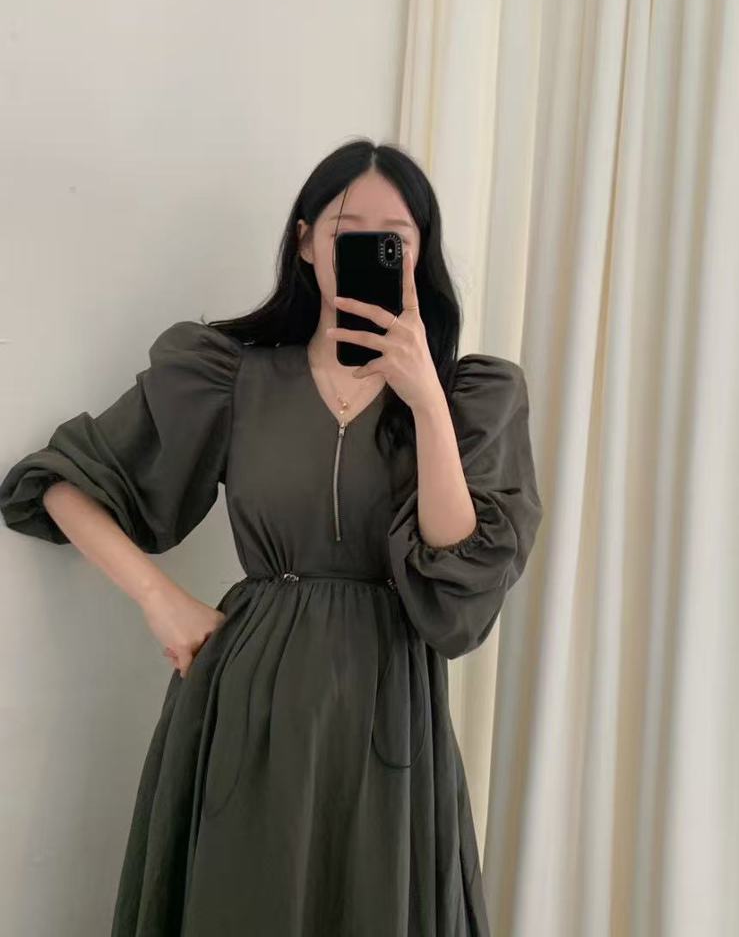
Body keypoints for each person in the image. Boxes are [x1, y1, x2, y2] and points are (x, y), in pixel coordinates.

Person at [0, 138, 543, 936]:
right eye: (345, 231)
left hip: (387, 708)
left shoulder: (472, 396)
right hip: (248, 699)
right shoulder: (231, 376)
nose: (366, 248)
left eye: (392, 237)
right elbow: (57, 481)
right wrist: (159, 601)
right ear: (305, 241)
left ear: (418, 253)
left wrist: (425, 399)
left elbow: (458, 586)